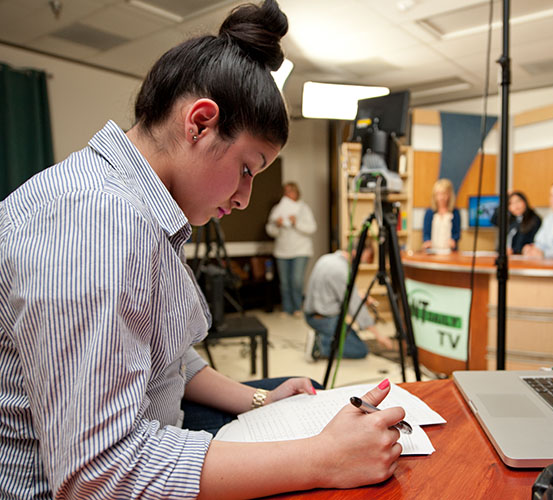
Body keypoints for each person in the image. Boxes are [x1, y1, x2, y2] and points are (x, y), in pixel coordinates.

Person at [0, 2, 405, 499]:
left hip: (160, 425)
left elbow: (161, 356)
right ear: (200, 123)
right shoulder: (94, 220)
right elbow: (96, 473)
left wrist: (258, 399)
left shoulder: (134, 204)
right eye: (247, 169)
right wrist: (321, 459)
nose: (243, 198)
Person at [303, 243, 393, 361]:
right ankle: (320, 344)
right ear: (356, 252)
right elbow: (354, 307)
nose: (363, 263)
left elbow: (332, 291)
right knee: (360, 350)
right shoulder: (342, 271)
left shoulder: (326, 258)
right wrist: (379, 336)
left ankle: (324, 337)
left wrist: (360, 296)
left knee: (352, 336)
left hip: (311, 313)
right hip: (324, 319)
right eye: (364, 259)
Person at [265, 181, 317, 318]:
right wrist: (277, 225)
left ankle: (297, 307)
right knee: (285, 282)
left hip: (301, 250)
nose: (288, 194)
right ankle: (287, 308)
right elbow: (270, 230)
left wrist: (296, 223)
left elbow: (312, 228)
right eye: (286, 191)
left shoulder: (304, 208)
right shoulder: (277, 209)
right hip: (282, 251)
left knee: (296, 280)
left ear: (297, 193)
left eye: (291, 191)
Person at [490, 190, 542, 255]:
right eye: (511, 203)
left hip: (521, 257)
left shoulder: (534, 220)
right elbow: (493, 220)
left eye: (518, 201)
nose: (516, 205)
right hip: (504, 256)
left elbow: (532, 244)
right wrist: (504, 200)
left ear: (524, 202)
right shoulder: (511, 220)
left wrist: (513, 251)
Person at [421, 178, 461, 251]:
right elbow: (426, 233)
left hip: (449, 251)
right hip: (433, 251)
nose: (441, 197)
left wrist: (453, 240)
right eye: (438, 194)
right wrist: (427, 242)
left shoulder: (455, 212)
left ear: (449, 195)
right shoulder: (429, 212)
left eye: (444, 194)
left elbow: (457, 234)